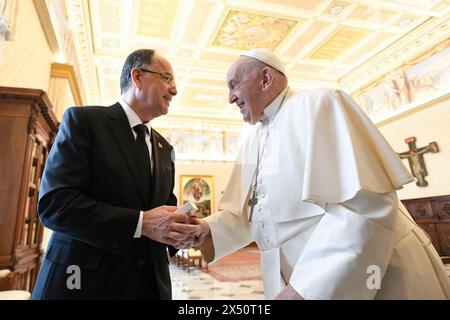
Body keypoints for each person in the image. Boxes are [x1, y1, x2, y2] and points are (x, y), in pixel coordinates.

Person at [192, 49, 450, 300]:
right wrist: (208, 229)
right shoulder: (251, 137)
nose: (230, 98)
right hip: (293, 278)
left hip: (366, 275)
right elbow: (258, 217)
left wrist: (310, 288)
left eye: (234, 85)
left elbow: (364, 206)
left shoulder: (321, 103)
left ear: (265, 79)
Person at [32, 49, 201, 299]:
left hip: (149, 287)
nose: (175, 90)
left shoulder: (166, 149)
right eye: (167, 77)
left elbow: (165, 210)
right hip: (84, 285)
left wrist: (179, 233)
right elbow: (55, 205)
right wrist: (140, 223)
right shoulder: (84, 122)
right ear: (137, 76)